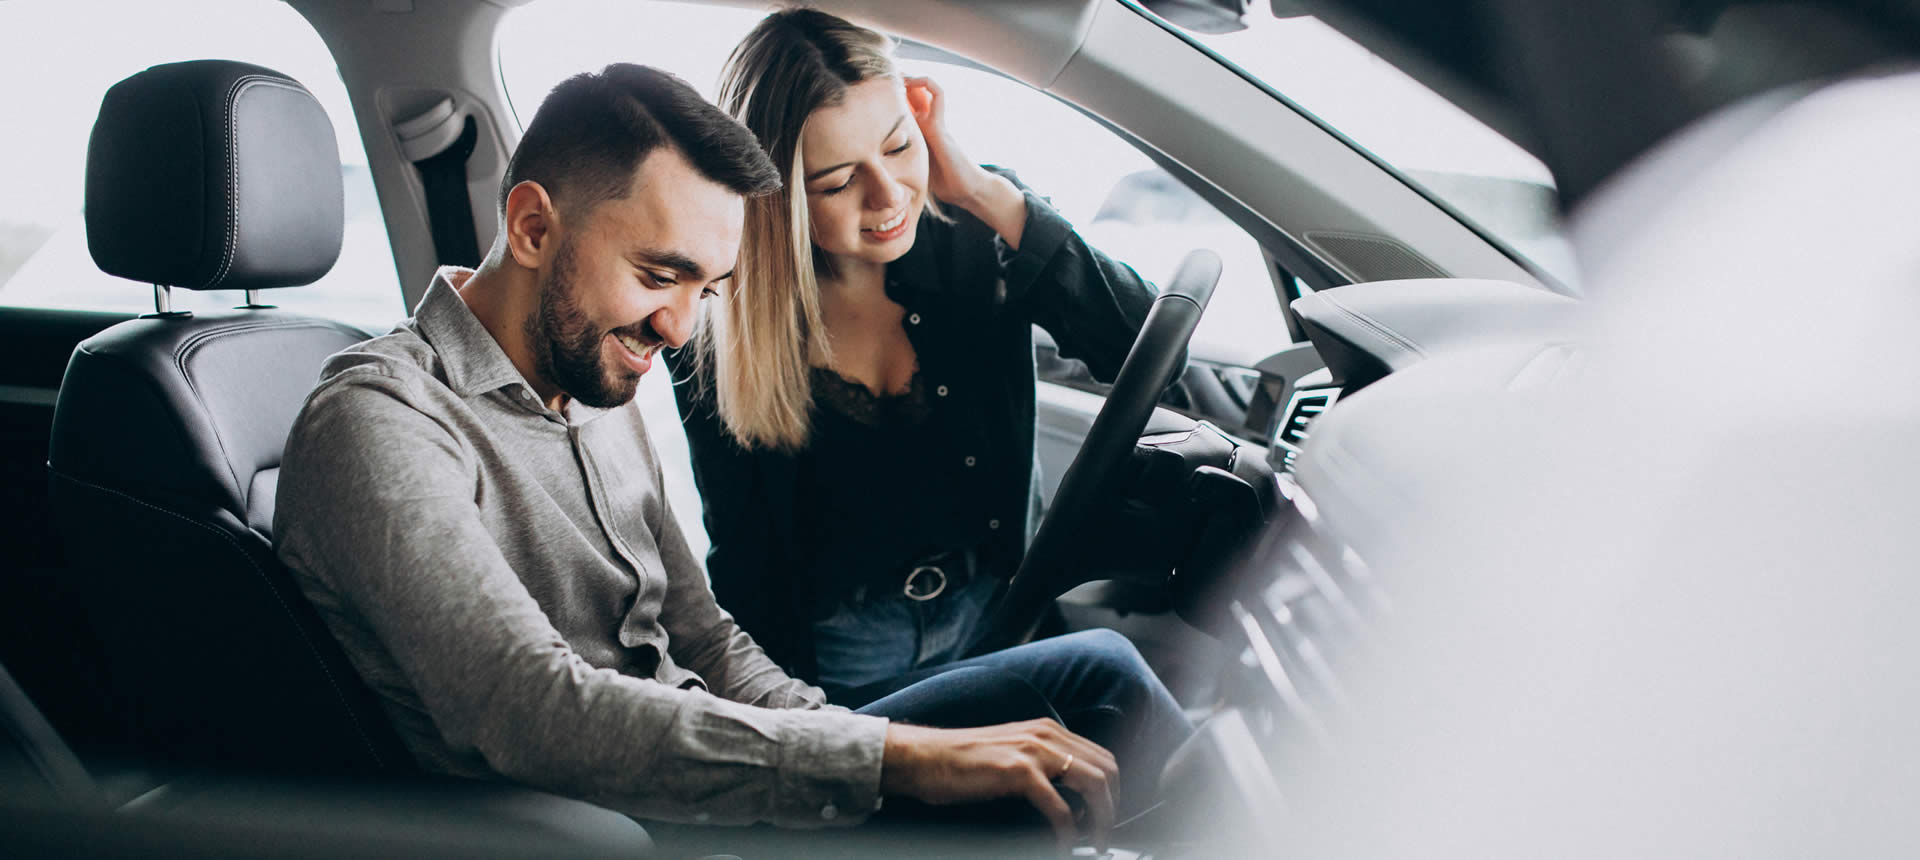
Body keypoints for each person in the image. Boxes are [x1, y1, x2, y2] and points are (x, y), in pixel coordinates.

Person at [275, 62, 1160, 849]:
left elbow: (705, 638)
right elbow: (528, 711)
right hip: (608, 826)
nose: (681, 327)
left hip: (721, 785)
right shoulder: (380, 420)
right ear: (534, 228)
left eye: (709, 289)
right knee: (1095, 686)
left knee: (1085, 697)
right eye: (660, 276)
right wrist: (899, 759)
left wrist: (839, 740)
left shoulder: (591, 376)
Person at [674, 9, 1172, 703]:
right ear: (775, 198)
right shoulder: (719, 328)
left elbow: (1144, 346)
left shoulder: (980, 230)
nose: (887, 196)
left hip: (1000, 606)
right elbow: (745, 554)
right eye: (838, 181)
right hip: (843, 652)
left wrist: (980, 190)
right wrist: (788, 723)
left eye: (899, 146)